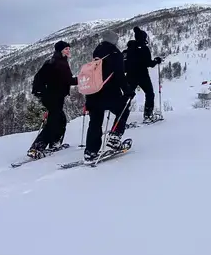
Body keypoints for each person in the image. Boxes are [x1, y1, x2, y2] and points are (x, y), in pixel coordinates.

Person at [84, 30, 136, 160]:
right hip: (109, 92)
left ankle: (90, 151)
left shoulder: (97, 52)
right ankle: (114, 138)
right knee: (122, 110)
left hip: (93, 92)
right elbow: (119, 75)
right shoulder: (115, 53)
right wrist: (128, 91)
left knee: (95, 121)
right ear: (114, 40)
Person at [29, 40, 78, 157]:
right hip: (53, 96)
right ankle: (37, 147)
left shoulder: (51, 61)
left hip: (50, 96)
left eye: (68, 49)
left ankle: (54, 143)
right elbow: (69, 80)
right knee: (54, 121)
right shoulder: (60, 63)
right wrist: (82, 79)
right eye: (66, 49)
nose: (68, 51)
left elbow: (40, 77)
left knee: (59, 119)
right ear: (60, 50)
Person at [124, 26, 164, 122]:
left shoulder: (128, 49)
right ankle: (148, 115)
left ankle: (121, 117)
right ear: (143, 38)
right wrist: (156, 61)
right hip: (142, 76)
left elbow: (123, 63)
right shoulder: (145, 49)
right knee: (149, 94)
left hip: (130, 76)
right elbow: (148, 63)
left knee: (127, 96)